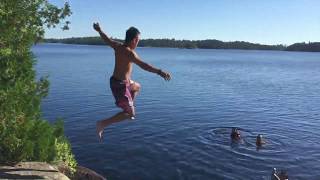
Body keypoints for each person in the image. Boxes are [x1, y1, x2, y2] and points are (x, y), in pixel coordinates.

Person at [93, 23, 171, 141]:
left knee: (137, 86)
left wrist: (99, 30)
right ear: (134, 40)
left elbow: (107, 40)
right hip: (120, 86)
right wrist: (160, 72)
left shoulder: (117, 46)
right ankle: (102, 124)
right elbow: (144, 65)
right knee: (131, 114)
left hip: (121, 82)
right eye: (138, 40)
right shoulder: (130, 53)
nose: (138, 42)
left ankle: (128, 106)